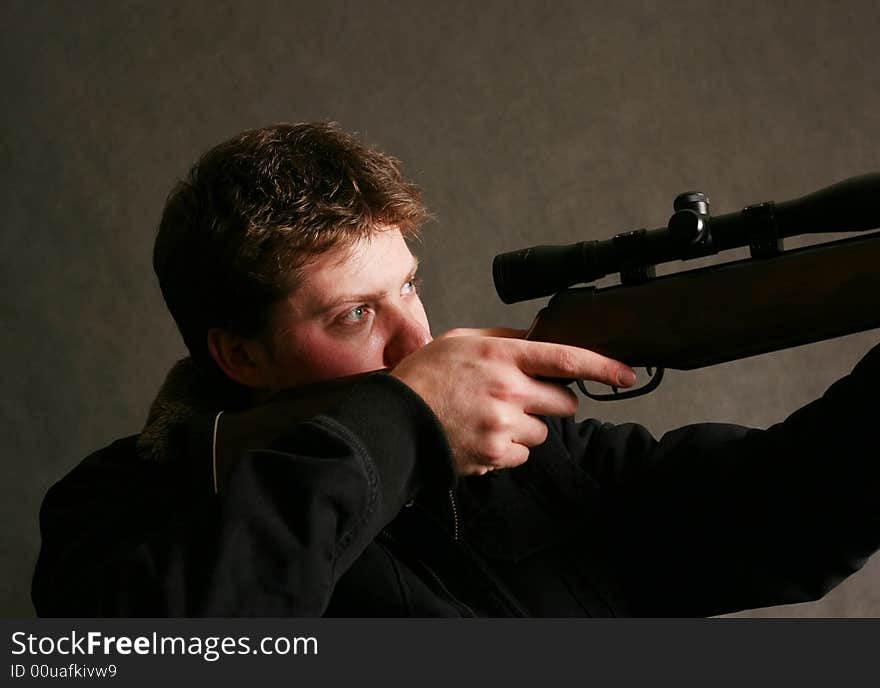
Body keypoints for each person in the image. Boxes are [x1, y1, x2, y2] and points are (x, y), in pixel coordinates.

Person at [33, 122, 880, 617]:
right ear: (239, 354)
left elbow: (778, 516)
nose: (417, 339)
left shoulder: (519, 455)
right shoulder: (118, 512)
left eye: (410, 286)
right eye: (356, 313)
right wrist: (402, 425)